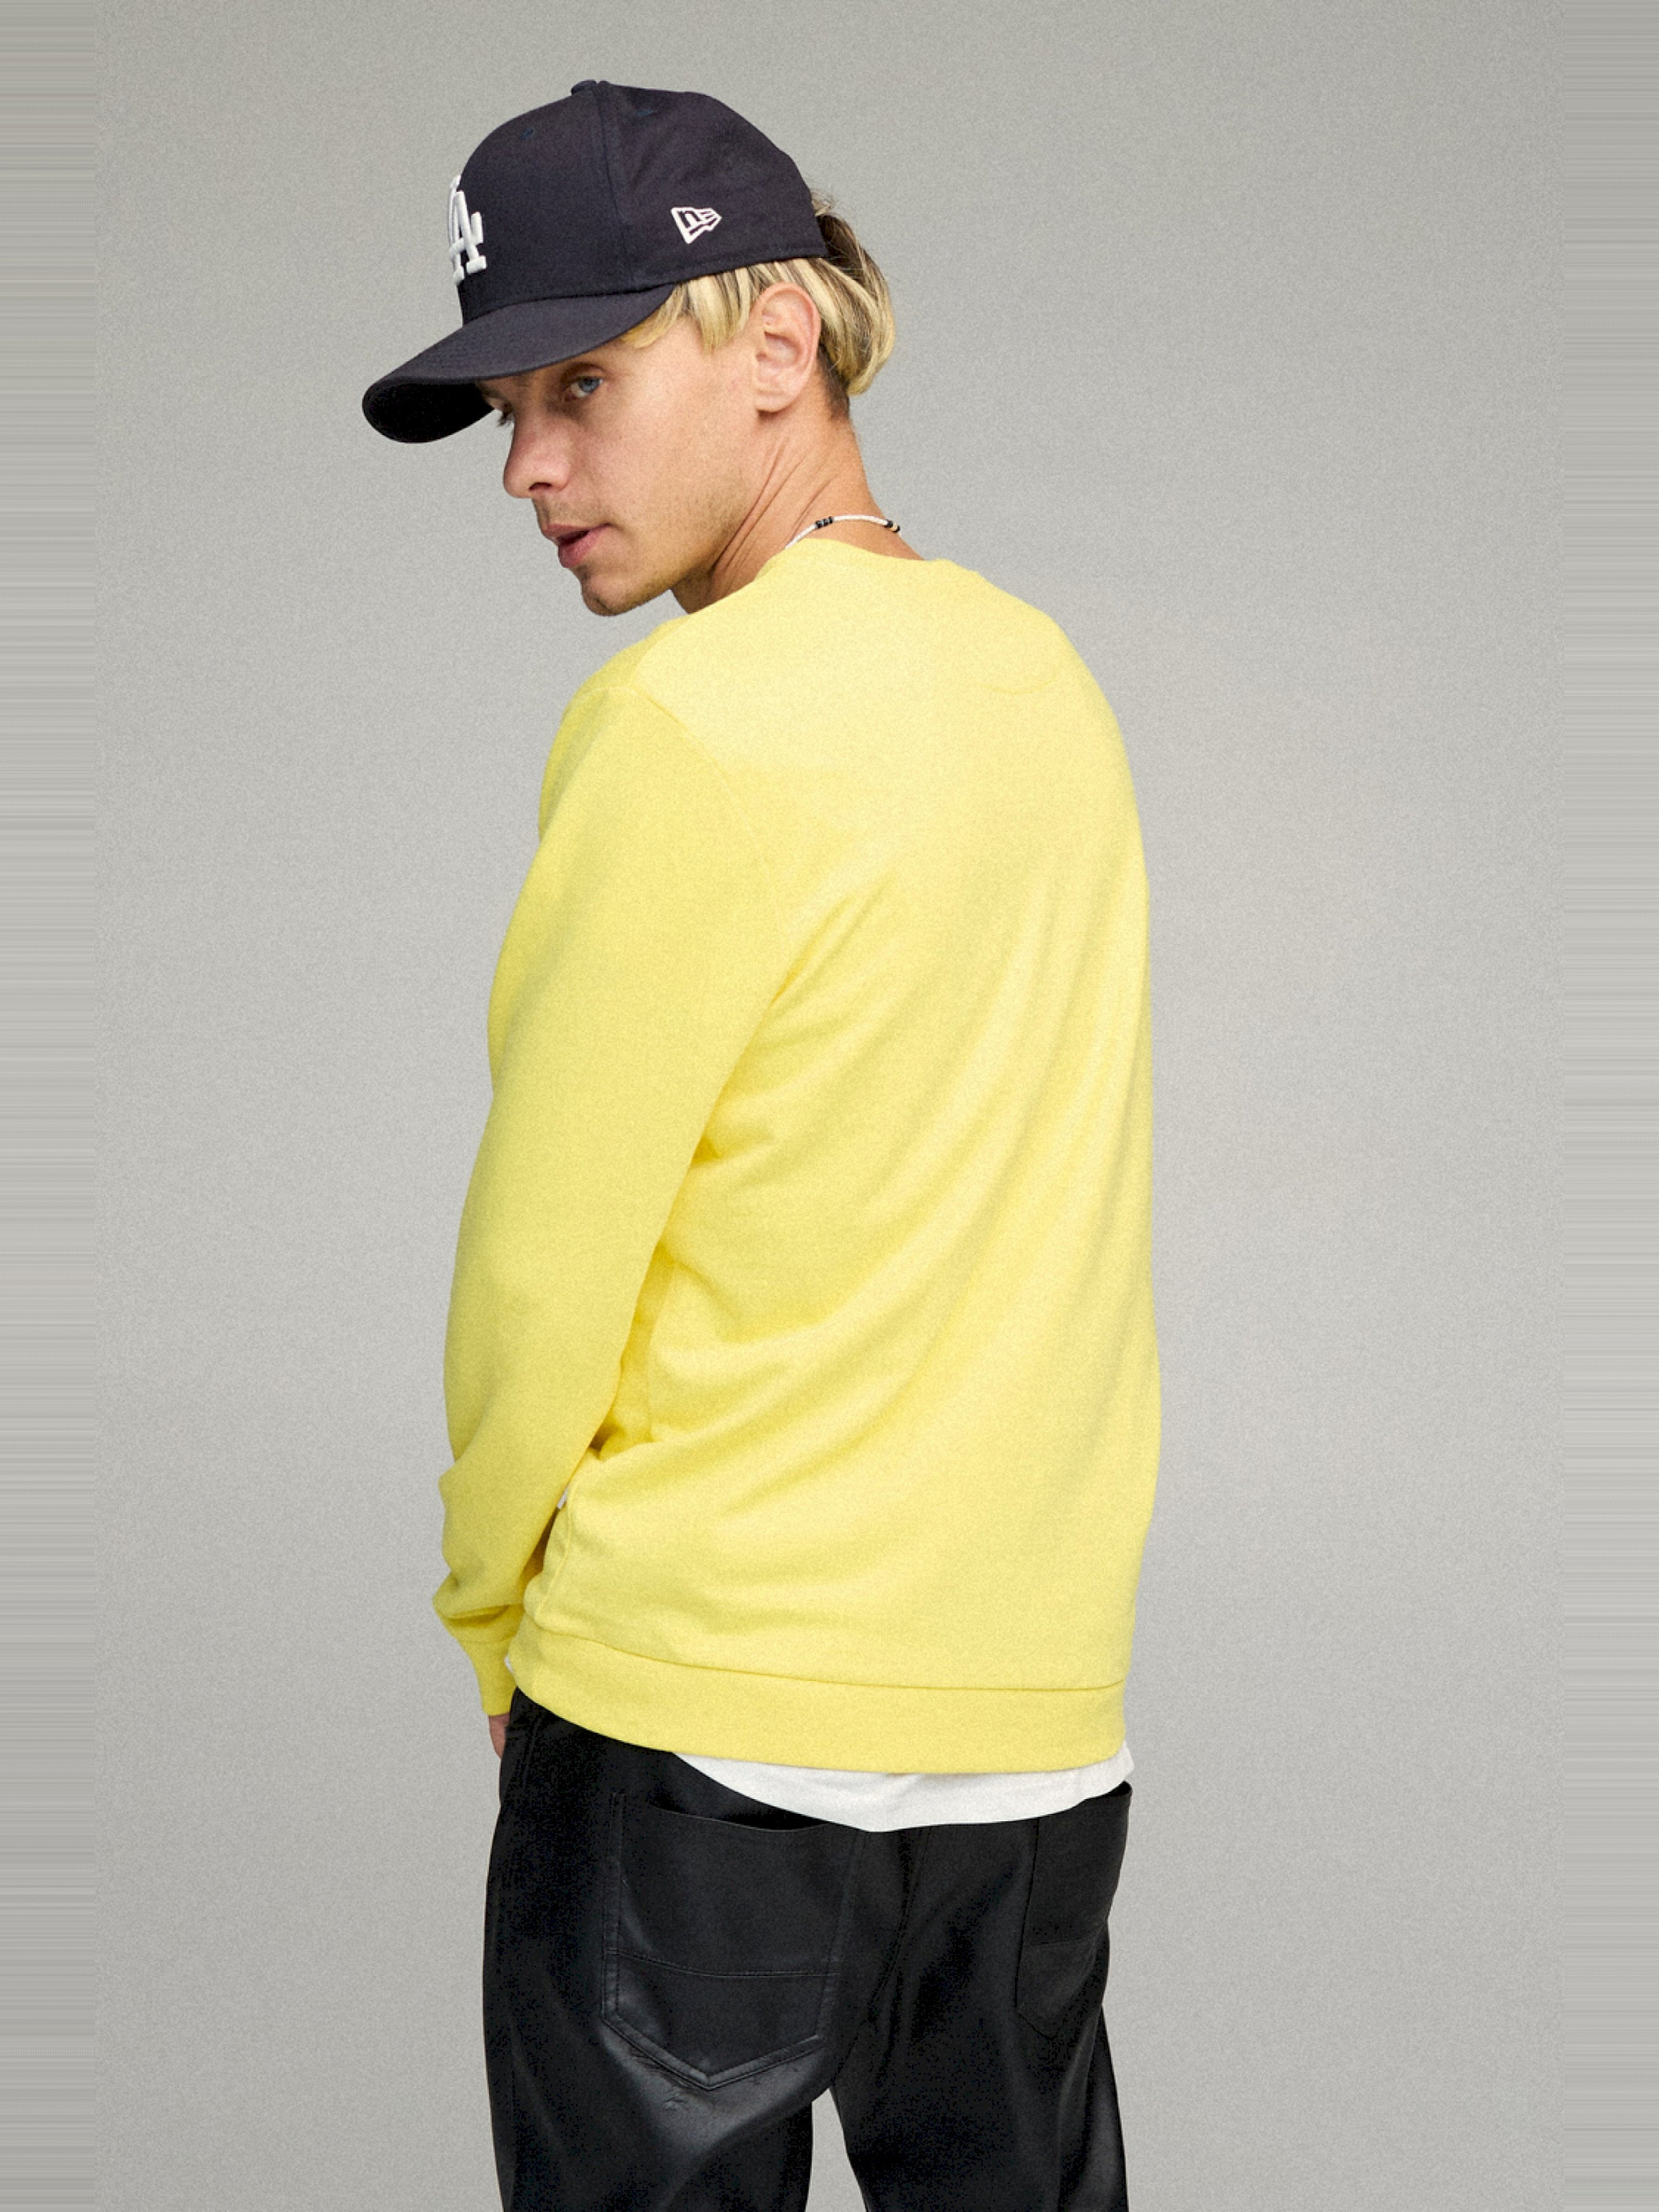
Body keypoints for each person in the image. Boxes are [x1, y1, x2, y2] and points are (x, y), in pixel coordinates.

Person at [362, 79, 1159, 2212]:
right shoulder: (1048, 687)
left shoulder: (682, 724)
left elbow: (546, 1266)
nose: (529, 466)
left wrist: (492, 1616)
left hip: (694, 1732)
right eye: (506, 411)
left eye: (581, 385)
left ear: (778, 344)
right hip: (1022, 1722)